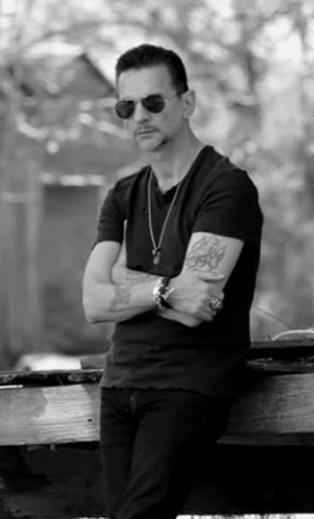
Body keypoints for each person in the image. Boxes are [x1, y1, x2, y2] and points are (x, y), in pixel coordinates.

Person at [81, 43, 263, 518]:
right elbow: (94, 302)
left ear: (187, 103)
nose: (140, 116)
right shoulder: (122, 195)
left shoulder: (225, 187)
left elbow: (195, 306)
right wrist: (165, 288)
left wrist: (126, 279)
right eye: (127, 107)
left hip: (187, 385)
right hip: (120, 383)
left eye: (153, 102)